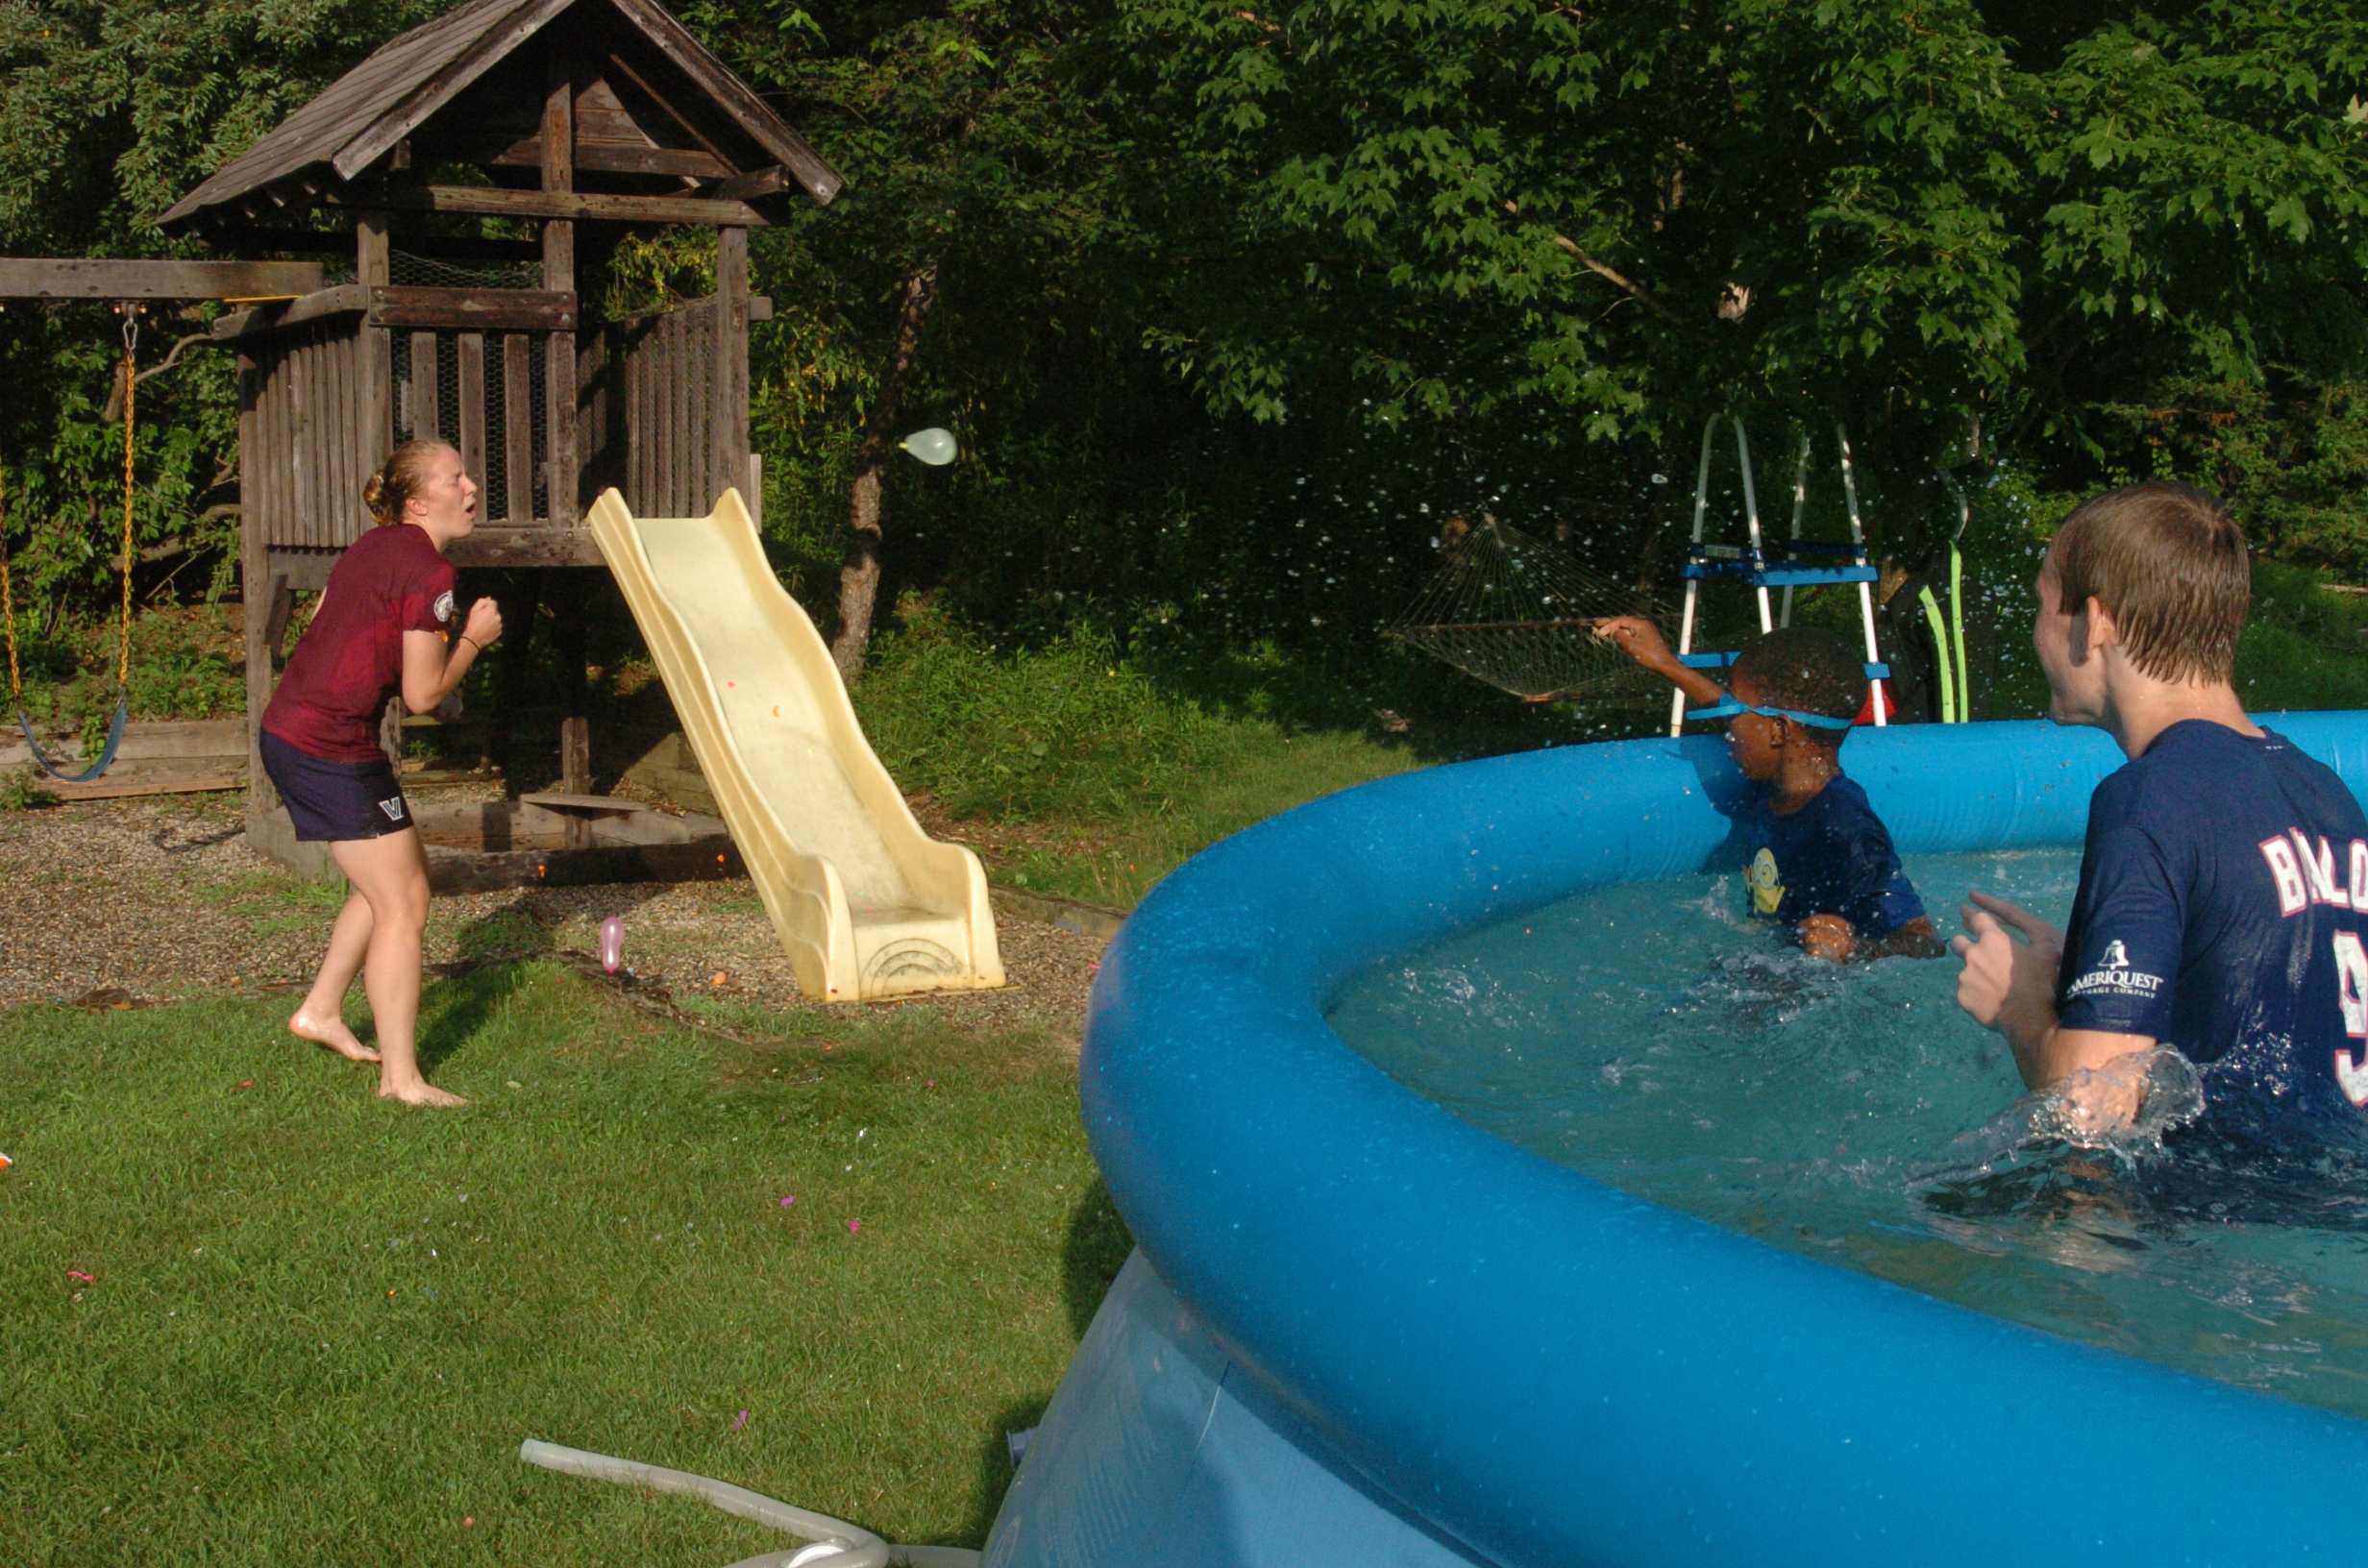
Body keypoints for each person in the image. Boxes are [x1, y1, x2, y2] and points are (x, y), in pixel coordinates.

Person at [1952, 480, 2368, 1140]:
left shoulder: (2150, 796)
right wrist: (2087, 975)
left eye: (2041, 605)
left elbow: (2090, 1108)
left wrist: (2020, 1007)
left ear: (2095, 622)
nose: (2034, 634)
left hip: (2217, 1201)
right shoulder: (2326, 793)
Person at [259, 440, 502, 1107]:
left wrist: (434, 682)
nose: (471, 487)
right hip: (325, 747)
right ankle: (401, 1081)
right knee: (405, 903)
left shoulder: (374, 546)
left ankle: (321, 1011)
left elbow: (340, 628)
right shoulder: (431, 573)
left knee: (394, 883)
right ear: (418, 502)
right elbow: (421, 696)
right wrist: (473, 640)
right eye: (455, 479)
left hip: (307, 734)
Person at [1596, 619, 1941, 963]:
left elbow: (1926, 942)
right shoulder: (1778, 781)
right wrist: (1664, 662)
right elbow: (1745, 716)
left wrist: (1855, 949)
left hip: (1828, 982)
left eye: (1733, 711)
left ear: (1778, 731)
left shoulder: (1843, 823)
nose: (1728, 727)